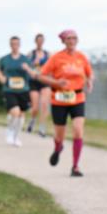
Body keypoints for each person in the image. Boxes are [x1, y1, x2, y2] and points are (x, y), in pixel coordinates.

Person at [37, 29, 94, 177]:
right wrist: (56, 82)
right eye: (69, 38)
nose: (72, 41)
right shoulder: (56, 58)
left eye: (75, 38)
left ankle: (75, 166)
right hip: (59, 99)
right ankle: (58, 148)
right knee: (59, 136)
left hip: (77, 97)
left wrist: (90, 82)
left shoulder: (82, 57)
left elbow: (89, 73)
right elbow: (41, 76)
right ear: (63, 41)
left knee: (78, 130)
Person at [0, 36, 38, 146]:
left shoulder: (25, 59)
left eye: (16, 43)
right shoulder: (5, 59)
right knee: (15, 111)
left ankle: (16, 136)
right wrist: (1, 78)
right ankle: (9, 131)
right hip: (9, 89)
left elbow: (34, 74)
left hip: (23, 90)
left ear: (19, 45)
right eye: (12, 43)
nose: (14, 46)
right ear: (10, 45)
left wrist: (27, 69)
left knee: (21, 115)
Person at [25, 33, 51, 136]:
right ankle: (32, 120)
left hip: (44, 81)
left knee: (44, 104)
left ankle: (42, 127)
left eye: (42, 40)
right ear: (36, 41)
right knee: (35, 107)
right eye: (38, 40)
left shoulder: (48, 54)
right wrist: (32, 71)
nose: (40, 42)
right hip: (34, 82)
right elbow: (26, 66)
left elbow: (52, 66)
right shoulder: (30, 54)